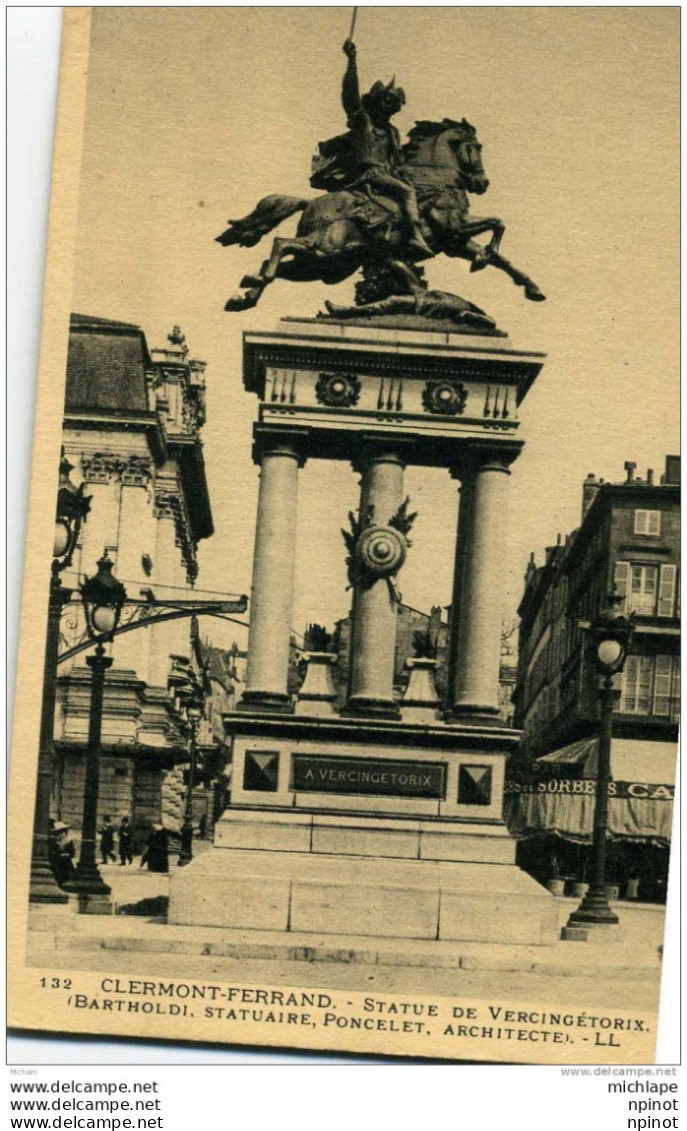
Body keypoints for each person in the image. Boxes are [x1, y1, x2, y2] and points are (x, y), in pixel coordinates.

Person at [310, 39, 433, 259]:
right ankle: (415, 236)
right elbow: (350, 95)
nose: (391, 110)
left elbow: (398, 161)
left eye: (394, 107)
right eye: (387, 104)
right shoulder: (362, 122)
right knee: (407, 192)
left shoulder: (393, 132)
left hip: (385, 175)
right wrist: (352, 62)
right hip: (367, 174)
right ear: (376, 104)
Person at [52, 821, 76, 886]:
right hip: (56, 864)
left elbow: (72, 853)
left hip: (66, 864)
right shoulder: (53, 842)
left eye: (62, 832)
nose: (60, 834)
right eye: (57, 833)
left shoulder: (68, 842)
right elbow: (52, 853)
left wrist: (67, 854)